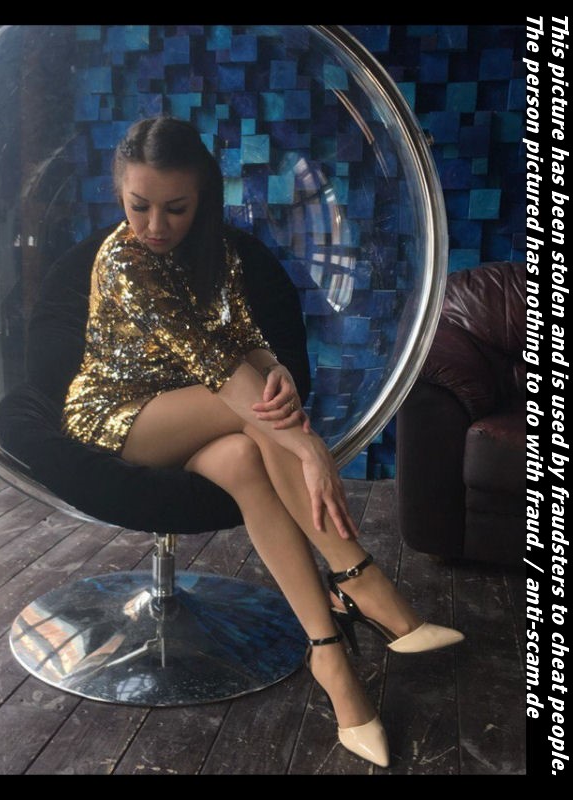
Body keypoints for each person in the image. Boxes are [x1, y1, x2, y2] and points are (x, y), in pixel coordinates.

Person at [62, 116, 463, 769]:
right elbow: (213, 364)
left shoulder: (216, 250)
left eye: (176, 208)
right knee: (259, 421)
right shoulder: (124, 259)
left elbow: (242, 338)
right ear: (119, 193)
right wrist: (308, 446)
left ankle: (330, 657)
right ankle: (362, 581)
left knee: (250, 454)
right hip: (120, 416)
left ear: (202, 198)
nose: (155, 224)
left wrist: (276, 370)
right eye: (138, 205)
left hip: (200, 407)